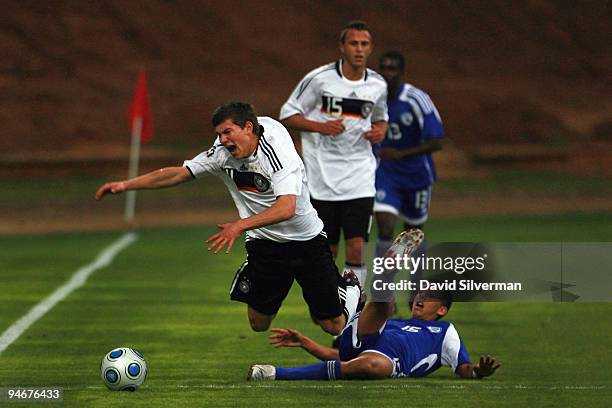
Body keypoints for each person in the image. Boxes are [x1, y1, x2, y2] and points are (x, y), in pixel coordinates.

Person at [95, 102, 361, 335]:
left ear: (248, 128)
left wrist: (239, 226)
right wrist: (126, 185)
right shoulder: (222, 154)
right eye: (219, 134)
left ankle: (350, 288)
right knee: (258, 324)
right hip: (265, 242)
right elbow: (178, 173)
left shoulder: (277, 154)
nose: (222, 140)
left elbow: (287, 207)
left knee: (331, 325)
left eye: (227, 132)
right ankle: (257, 268)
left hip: (306, 240)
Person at [248, 229, 501, 381]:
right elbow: (344, 354)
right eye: (419, 293)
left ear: (443, 310)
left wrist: (479, 371)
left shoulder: (445, 332)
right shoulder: (395, 322)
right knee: (384, 309)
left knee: (367, 363)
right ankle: (384, 275)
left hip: (388, 360)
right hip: (365, 336)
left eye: (429, 296)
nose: (419, 299)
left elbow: (464, 369)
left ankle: (272, 373)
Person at [279, 20, 388, 286]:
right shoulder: (319, 79)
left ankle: (353, 304)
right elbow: (287, 115)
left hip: (359, 176)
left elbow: (381, 117)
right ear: (342, 47)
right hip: (321, 177)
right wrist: (320, 126)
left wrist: (380, 130)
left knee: (357, 247)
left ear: (370, 48)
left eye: (364, 44)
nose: (359, 49)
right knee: (327, 250)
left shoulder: (377, 84)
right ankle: (327, 300)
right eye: (354, 43)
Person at [374, 50, 444, 263]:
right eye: (384, 68)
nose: (388, 73)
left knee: (414, 234)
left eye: (392, 69)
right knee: (385, 228)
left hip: (416, 175)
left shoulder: (416, 99)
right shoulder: (372, 100)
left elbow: (436, 141)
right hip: (386, 174)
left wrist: (401, 154)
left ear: (401, 72)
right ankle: (383, 288)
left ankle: (415, 287)